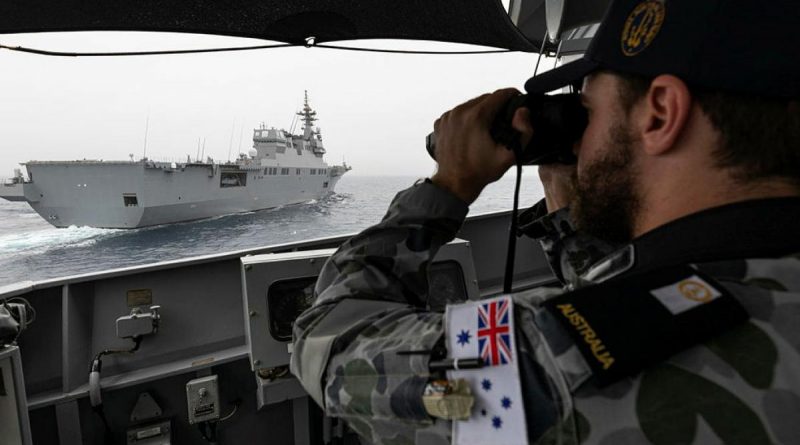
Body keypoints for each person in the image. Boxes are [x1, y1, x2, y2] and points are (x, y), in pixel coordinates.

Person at [291, 0, 800, 443]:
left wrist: (447, 187)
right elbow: (636, 299)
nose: (580, 139)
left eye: (587, 112)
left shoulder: (546, 362)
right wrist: (567, 203)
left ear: (660, 115)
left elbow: (327, 346)